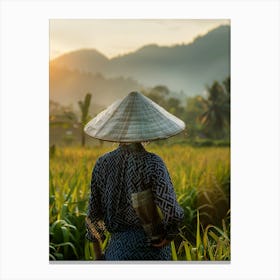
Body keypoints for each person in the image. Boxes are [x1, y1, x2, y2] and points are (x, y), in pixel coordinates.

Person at [84, 91, 185, 261]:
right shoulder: (153, 163)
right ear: (146, 129)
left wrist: (98, 254)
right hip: (152, 250)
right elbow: (173, 212)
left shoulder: (102, 164)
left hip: (117, 250)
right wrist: (169, 235)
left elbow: (93, 215)